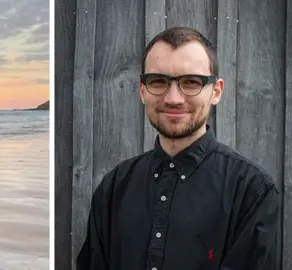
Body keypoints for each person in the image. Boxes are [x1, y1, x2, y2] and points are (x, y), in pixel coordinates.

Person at [76, 27, 280, 270]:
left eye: (191, 82)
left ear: (216, 91)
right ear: (142, 91)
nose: (173, 98)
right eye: (159, 81)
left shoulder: (252, 190)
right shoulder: (113, 187)